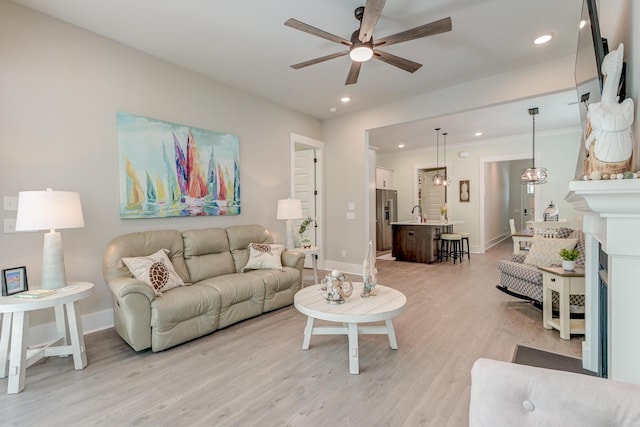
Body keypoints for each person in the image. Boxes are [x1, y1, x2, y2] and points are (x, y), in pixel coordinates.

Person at [585, 43, 634, 164]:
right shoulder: (626, 108)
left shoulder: (595, 111)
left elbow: (587, 144)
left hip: (607, 156)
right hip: (624, 154)